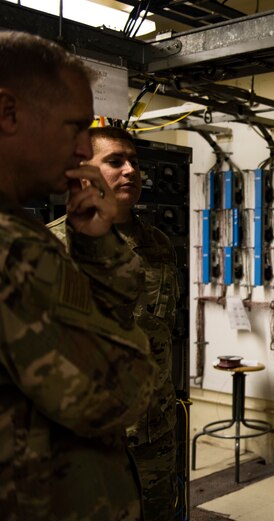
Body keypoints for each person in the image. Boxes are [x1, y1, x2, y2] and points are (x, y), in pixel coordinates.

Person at [0, 31, 157, 520]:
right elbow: (118, 394)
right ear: (7, 113)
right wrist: (140, 360)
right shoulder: (15, 249)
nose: (82, 149)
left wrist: (95, 243)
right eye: (74, 127)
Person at [49, 126, 180, 521]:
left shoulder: (158, 244)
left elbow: (160, 331)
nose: (130, 171)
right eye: (115, 161)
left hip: (154, 438)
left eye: (135, 162)